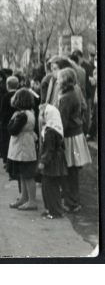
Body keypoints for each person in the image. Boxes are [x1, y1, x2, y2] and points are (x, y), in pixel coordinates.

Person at [57, 68, 92, 213]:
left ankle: (71, 202)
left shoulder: (65, 97)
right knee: (73, 171)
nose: (57, 81)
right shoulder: (74, 92)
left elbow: (62, 122)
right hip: (76, 134)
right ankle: (73, 201)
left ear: (64, 81)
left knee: (69, 170)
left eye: (59, 79)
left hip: (69, 136)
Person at [7, 88, 38, 211]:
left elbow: (12, 130)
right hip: (26, 145)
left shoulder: (21, 115)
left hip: (23, 147)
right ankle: (24, 197)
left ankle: (31, 201)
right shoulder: (30, 112)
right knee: (23, 174)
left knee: (27, 175)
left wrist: (11, 120)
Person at [38, 104, 67, 219]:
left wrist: (43, 162)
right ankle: (51, 209)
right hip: (55, 160)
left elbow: (50, 149)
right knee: (49, 185)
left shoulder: (50, 131)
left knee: (50, 186)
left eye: (43, 114)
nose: (41, 117)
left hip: (52, 162)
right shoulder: (56, 128)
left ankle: (54, 211)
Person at [0, 75, 19, 177]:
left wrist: (1, 121)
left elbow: (2, 112)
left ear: (7, 85)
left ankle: (7, 162)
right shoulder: (19, 95)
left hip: (7, 124)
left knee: (6, 143)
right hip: (17, 123)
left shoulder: (6, 97)